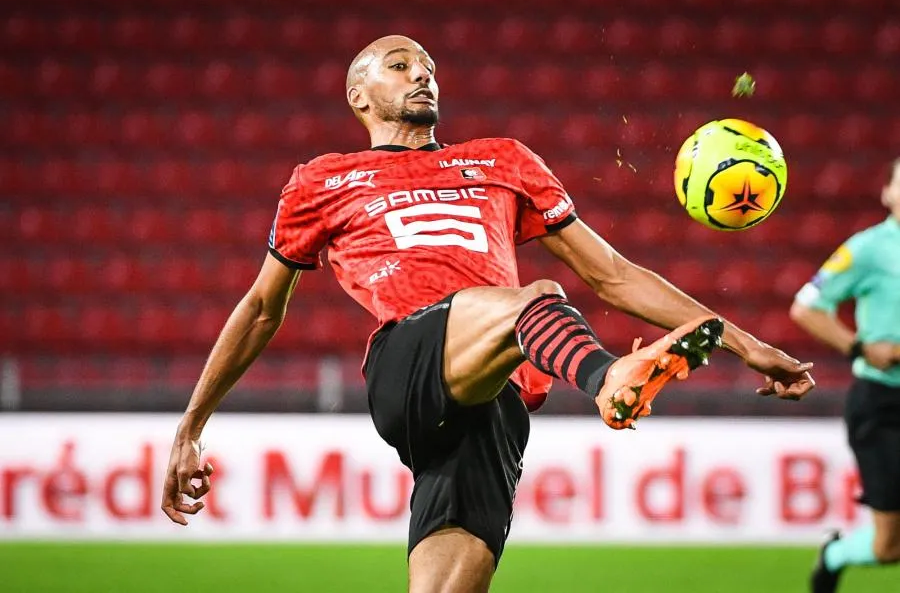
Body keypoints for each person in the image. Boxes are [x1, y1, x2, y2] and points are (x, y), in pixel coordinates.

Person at [161, 35, 815, 593]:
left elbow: (612, 274)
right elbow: (260, 309)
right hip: (408, 365)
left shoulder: (504, 161)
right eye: (399, 64)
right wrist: (191, 426)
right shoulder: (322, 180)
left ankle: (603, 375)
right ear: (358, 95)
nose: (422, 73)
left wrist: (745, 342)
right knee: (535, 301)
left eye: (429, 67)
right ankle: (609, 377)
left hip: (494, 401)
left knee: (451, 577)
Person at [793, 158, 900, 593]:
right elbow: (807, 307)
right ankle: (834, 553)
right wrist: (860, 347)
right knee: (890, 546)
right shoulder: (869, 248)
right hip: (884, 404)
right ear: (888, 193)